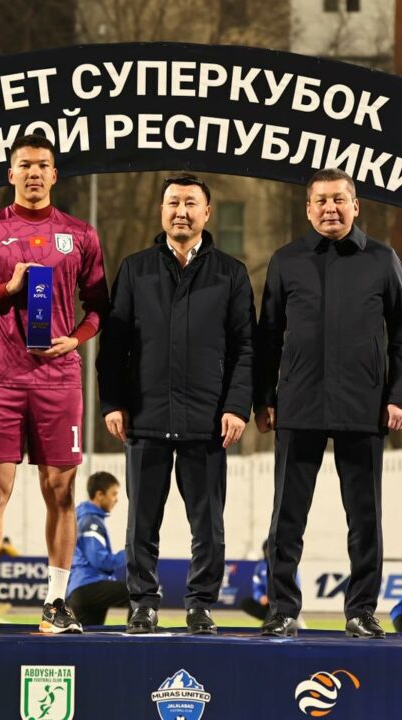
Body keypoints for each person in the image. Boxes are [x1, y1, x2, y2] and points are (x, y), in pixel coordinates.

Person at [0, 134, 109, 635]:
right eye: (25, 165)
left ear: (55, 175)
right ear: (10, 173)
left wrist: (75, 339)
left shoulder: (80, 234)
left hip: (59, 380)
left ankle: (56, 603)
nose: (34, 173)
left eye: (42, 165)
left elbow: (100, 307)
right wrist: (7, 289)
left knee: (61, 492)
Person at [254, 167, 402, 639]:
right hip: (298, 405)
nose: (330, 208)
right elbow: (268, 337)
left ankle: (361, 611)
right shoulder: (286, 260)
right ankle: (282, 609)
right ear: (308, 209)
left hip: (363, 407)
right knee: (287, 517)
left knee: (364, 519)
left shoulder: (383, 260)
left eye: (339, 199)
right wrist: (265, 398)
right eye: (321, 201)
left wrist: (398, 395)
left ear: (355, 206)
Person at [97, 173, 255, 635]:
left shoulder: (231, 273)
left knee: (207, 526)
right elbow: (114, 345)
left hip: (208, 423)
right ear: (161, 211)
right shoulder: (135, 269)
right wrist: (113, 402)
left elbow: (247, 349)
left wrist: (236, 406)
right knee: (140, 525)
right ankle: (142, 604)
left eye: (190, 203)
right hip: (144, 419)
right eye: (172, 203)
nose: (181, 211)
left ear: (207, 212)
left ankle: (201, 604)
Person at [65, 471, 128, 627]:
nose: (116, 499)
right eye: (114, 494)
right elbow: (100, 561)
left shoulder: (84, 517)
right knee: (140, 591)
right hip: (89, 584)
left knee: (89, 637)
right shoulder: (91, 522)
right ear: (99, 495)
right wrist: (131, 553)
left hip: (80, 588)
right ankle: (138, 634)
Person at [240, 540, 270, 621]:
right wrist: (260, 597)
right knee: (245, 603)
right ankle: (269, 618)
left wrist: (274, 598)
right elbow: (256, 587)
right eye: (267, 549)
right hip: (266, 602)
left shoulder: (284, 566)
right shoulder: (260, 567)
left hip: (280, 602)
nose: (269, 552)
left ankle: (278, 618)